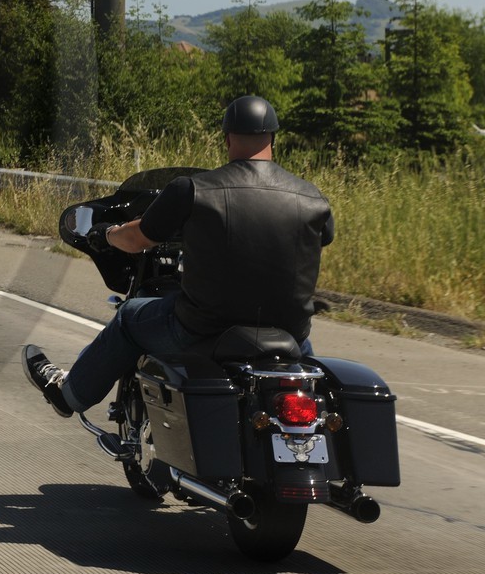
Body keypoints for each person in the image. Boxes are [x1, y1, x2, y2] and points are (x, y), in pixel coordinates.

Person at [23, 95, 335, 418]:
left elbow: (137, 237)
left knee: (129, 317)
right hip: (290, 335)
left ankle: (69, 394)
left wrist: (107, 234)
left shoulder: (194, 190)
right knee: (312, 382)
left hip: (202, 328)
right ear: (272, 138)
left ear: (227, 138)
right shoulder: (313, 199)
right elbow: (321, 238)